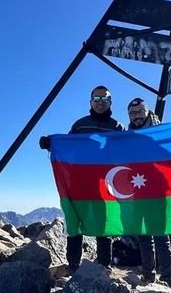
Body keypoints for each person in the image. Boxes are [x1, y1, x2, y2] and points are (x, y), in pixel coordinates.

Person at [40, 85, 124, 274]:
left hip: (104, 184)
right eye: (96, 99)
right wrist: (50, 144)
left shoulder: (117, 127)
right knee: (74, 220)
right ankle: (73, 265)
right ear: (90, 102)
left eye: (104, 99)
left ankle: (104, 266)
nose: (100, 102)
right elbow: (68, 147)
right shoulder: (80, 125)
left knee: (104, 222)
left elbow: (127, 148)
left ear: (110, 102)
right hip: (79, 183)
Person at [126, 97, 171, 286]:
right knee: (144, 236)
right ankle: (148, 274)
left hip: (158, 190)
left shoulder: (161, 132)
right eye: (132, 113)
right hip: (137, 190)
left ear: (147, 112)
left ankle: (167, 278)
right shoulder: (127, 136)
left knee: (161, 235)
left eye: (140, 112)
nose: (136, 116)